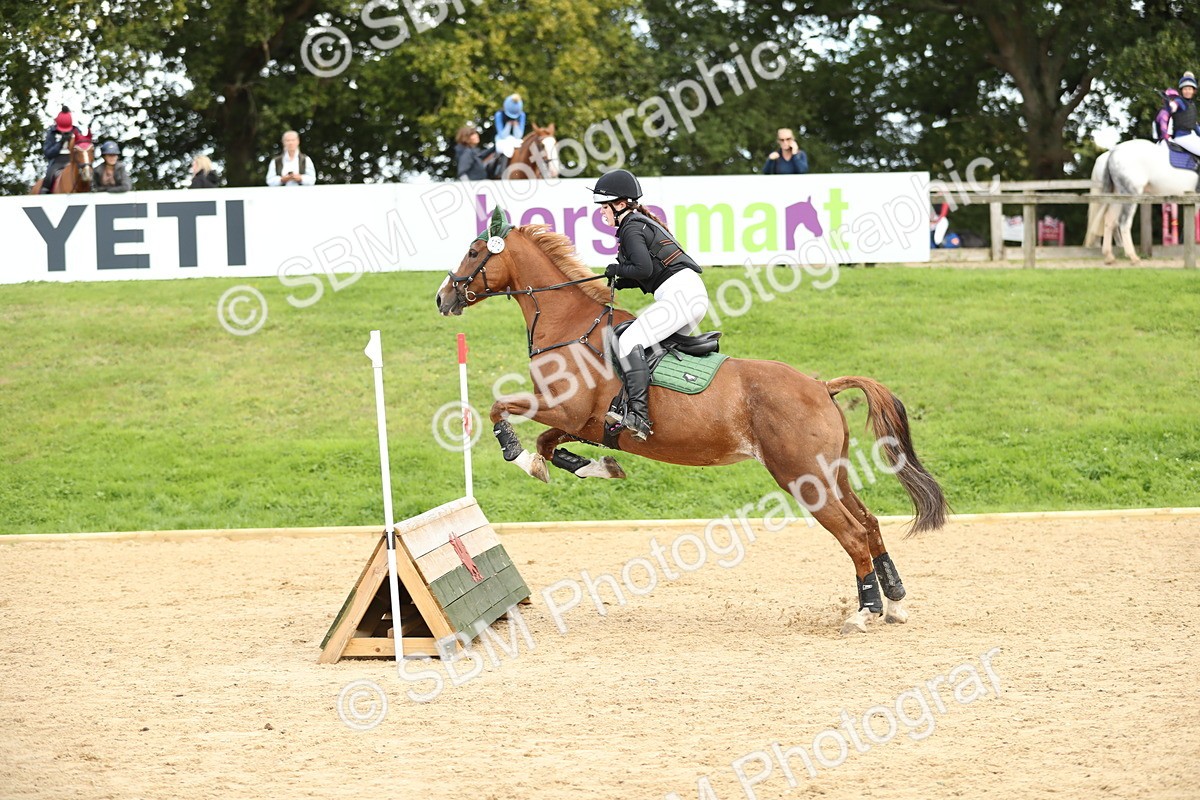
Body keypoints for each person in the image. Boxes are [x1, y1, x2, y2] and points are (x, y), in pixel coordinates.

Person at [590, 169, 711, 441]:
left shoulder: (631, 227)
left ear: (620, 204)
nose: (601, 213)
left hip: (680, 296)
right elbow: (652, 272)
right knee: (647, 345)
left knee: (629, 340)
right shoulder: (639, 222)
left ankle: (638, 416)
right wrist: (622, 282)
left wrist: (616, 268)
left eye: (604, 208)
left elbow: (643, 269)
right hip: (686, 294)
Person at [40, 106, 84, 194]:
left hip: (72, 161)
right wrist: (60, 143)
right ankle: (44, 194)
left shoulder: (76, 131)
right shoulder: (51, 133)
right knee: (48, 178)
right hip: (57, 161)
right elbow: (48, 153)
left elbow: (81, 149)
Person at [1157, 72, 1200, 157]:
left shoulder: (1192, 105)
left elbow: (1194, 125)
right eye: (1185, 89)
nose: (1187, 91)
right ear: (1182, 90)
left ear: (1193, 91)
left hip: (1190, 136)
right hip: (1182, 137)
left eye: (1189, 89)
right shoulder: (1179, 101)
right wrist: (1167, 101)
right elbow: (1172, 107)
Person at [493, 93, 526, 162]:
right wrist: (508, 125)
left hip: (516, 140)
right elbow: (502, 136)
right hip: (501, 140)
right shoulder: (499, 114)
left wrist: (516, 126)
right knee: (506, 149)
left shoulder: (522, 115)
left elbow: (519, 136)